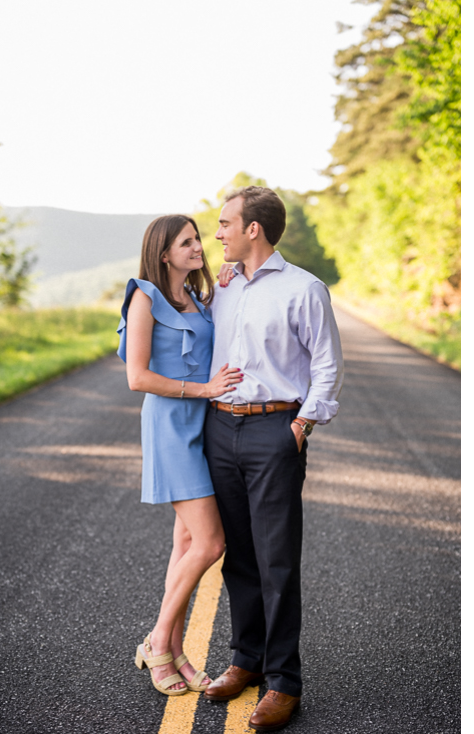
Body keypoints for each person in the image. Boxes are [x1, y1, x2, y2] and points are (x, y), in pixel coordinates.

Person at [200, 186, 344, 733]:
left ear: (252, 229)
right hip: (220, 427)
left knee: (276, 560)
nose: (218, 234)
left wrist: (301, 427)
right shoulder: (225, 287)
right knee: (238, 556)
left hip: (274, 430)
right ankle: (246, 659)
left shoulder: (304, 289)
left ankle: (283, 682)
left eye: (224, 224)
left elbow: (327, 366)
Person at [118, 215, 243, 696]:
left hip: (204, 426)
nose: (199, 247)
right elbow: (138, 377)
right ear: (164, 253)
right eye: (187, 242)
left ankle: (176, 650)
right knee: (211, 544)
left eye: (198, 239)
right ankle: (156, 642)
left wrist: (229, 287)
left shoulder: (198, 299)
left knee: (185, 546)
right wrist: (205, 389)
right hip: (171, 426)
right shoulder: (144, 297)